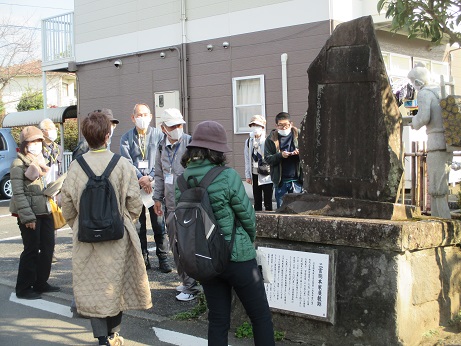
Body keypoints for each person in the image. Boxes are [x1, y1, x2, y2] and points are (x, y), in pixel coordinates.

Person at [177, 121, 275, 346]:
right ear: (217, 151)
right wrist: (248, 243)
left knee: (218, 320)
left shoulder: (181, 180)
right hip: (237, 257)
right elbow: (248, 217)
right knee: (260, 317)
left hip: (205, 259)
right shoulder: (227, 176)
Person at [61, 111, 152, 346]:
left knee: (94, 286)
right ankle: (114, 334)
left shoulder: (76, 166)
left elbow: (67, 206)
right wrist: (125, 221)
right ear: (107, 135)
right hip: (117, 236)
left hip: (86, 238)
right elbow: (134, 202)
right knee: (116, 284)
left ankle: (102, 338)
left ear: (86, 136)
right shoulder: (121, 164)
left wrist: (80, 225)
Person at [153, 108, 200, 301]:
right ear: (163, 128)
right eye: (173, 126)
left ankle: (192, 287)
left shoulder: (191, 143)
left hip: (189, 205)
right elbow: (159, 174)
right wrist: (157, 198)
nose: (177, 128)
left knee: (189, 246)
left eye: (179, 125)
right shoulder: (161, 147)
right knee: (175, 245)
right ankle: (186, 280)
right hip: (170, 205)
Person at [9, 126, 60, 300]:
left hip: (44, 210)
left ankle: (40, 282)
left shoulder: (41, 162)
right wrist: (27, 217)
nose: (37, 144)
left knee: (48, 247)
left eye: (39, 141)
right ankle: (23, 288)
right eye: (33, 141)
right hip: (29, 214)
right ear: (25, 144)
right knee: (31, 250)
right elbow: (18, 193)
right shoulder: (18, 164)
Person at [120, 103, 172, 273]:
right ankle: (143, 258)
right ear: (133, 117)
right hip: (136, 187)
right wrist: (140, 178)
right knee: (139, 225)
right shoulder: (126, 138)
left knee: (159, 224)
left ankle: (163, 258)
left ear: (151, 116)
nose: (142, 118)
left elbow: (162, 158)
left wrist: (149, 177)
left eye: (145, 114)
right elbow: (126, 161)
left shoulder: (158, 135)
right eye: (139, 115)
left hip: (154, 186)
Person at [406, 66, 452, 219]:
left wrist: (414, 122)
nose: (413, 86)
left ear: (418, 81)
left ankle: (442, 219)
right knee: (441, 181)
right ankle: (439, 217)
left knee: (436, 184)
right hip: (447, 141)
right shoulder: (439, 91)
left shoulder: (424, 93)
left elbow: (424, 117)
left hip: (435, 141)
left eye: (413, 82)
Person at [264, 112, 303, 208]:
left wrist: (299, 153)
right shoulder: (271, 139)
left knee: (298, 209)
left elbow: (309, 153)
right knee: (282, 210)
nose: (284, 128)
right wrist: (280, 155)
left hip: (297, 179)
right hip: (280, 181)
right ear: (276, 125)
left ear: (291, 124)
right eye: (280, 125)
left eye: (286, 125)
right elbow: (268, 159)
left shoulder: (299, 134)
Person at [244, 115, 273, 211]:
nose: (255, 127)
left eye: (257, 125)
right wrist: (248, 175)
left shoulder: (268, 140)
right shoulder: (248, 141)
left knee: (268, 199)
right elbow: (247, 159)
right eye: (253, 125)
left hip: (266, 173)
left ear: (263, 127)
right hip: (254, 172)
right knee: (257, 199)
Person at [39, 118, 63, 185]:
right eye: (50, 129)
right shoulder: (38, 148)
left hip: (55, 184)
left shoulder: (59, 148)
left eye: (54, 129)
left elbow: (59, 169)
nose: (53, 131)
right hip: (42, 184)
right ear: (42, 131)